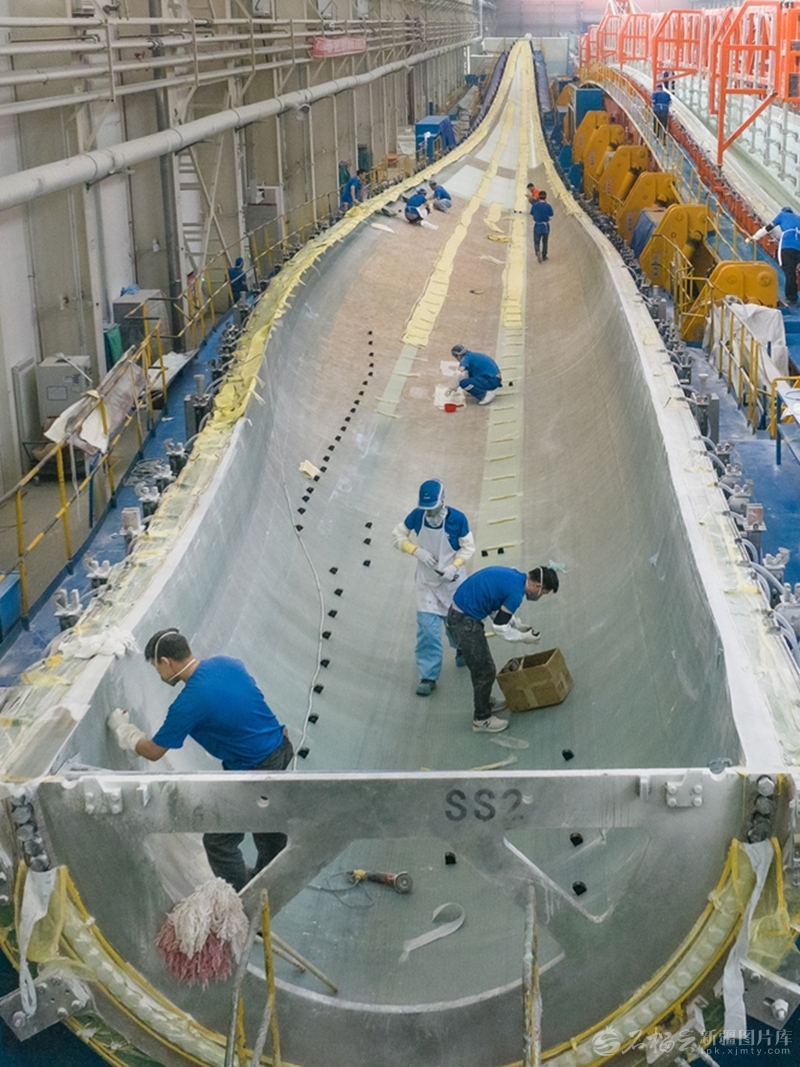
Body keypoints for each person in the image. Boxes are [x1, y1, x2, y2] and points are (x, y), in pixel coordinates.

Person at [108, 629, 293, 892]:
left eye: (156, 668)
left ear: (166, 662)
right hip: (281, 746)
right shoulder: (227, 663)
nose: (159, 675)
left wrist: (124, 731)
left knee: (219, 842)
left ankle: (242, 900)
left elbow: (154, 751)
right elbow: (250, 700)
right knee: (267, 822)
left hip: (255, 767)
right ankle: (269, 881)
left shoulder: (189, 703)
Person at [447, 566, 560, 732]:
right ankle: (481, 719)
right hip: (464, 621)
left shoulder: (515, 576)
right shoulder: (516, 593)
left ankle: (485, 702)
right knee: (484, 671)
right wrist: (523, 637)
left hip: (460, 611)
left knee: (484, 667)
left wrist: (515, 624)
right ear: (538, 586)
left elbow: (495, 602)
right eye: (543, 593)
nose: (540, 596)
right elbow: (499, 627)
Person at [392, 479, 475, 696]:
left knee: (456, 623)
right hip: (426, 582)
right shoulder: (417, 516)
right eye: (426, 508)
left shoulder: (458, 519)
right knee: (427, 631)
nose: (429, 513)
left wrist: (454, 566)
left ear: (443, 500)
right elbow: (397, 536)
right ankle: (428, 676)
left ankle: (461, 649)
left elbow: (468, 548)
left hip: (452, 582)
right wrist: (415, 550)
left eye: (433, 508)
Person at [749, 207, 800, 306]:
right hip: (798, 248)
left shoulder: (782, 215)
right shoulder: (798, 218)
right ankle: (794, 295)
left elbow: (768, 228)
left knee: (789, 272)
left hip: (787, 246)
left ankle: (791, 298)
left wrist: (755, 237)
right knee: (794, 271)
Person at [530, 190, 554, 263]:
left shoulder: (535, 205)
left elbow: (532, 214)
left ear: (538, 197)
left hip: (537, 225)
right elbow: (551, 215)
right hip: (545, 226)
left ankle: (537, 251)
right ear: (545, 197)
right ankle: (544, 256)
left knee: (536, 241)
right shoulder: (548, 206)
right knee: (545, 241)